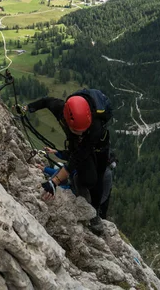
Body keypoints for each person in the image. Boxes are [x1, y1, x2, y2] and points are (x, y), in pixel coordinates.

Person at [24, 89, 112, 235]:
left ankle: (95, 213)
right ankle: (77, 181)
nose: (81, 133)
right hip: (78, 144)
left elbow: (78, 157)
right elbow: (46, 101)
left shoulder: (95, 127)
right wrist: (28, 108)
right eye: (77, 130)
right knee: (87, 176)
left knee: (97, 179)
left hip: (99, 146)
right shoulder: (61, 109)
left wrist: (55, 181)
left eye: (83, 130)